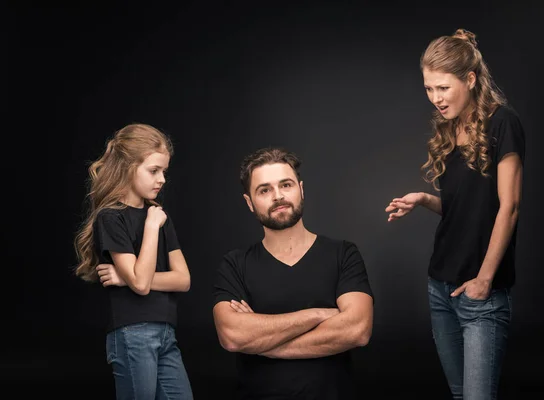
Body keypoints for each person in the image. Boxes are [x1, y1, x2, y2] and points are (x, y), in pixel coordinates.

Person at [385, 29, 525, 399]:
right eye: (429, 89)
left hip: (482, 292)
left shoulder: (502, 123)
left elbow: (508, 207)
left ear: (470, 79)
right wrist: (423, 199)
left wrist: (484, 279)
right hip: (440, 287)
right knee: (461, 395)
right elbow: (466, 206)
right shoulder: (450, 128)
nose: (435, 99)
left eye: (443, 88)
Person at [212, 147, 374, 399]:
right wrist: (317, 314)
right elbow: (233, 336)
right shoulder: (235, 264)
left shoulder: (343, 254)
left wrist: (262, 343)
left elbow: (357, 330)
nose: (278, 196)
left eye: (285, 185)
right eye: (264, 190)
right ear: (249, 203)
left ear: (301, 189)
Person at [73, 123, 194, 400]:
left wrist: (123, 277)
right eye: (153, 171)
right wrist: (150, 228)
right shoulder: (112, 217)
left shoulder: (159, 215)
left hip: (166, 333)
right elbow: (140, 283)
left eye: (164, 171)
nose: (161, 179)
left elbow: (183, 280)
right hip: (133, 334)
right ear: (128, 168)